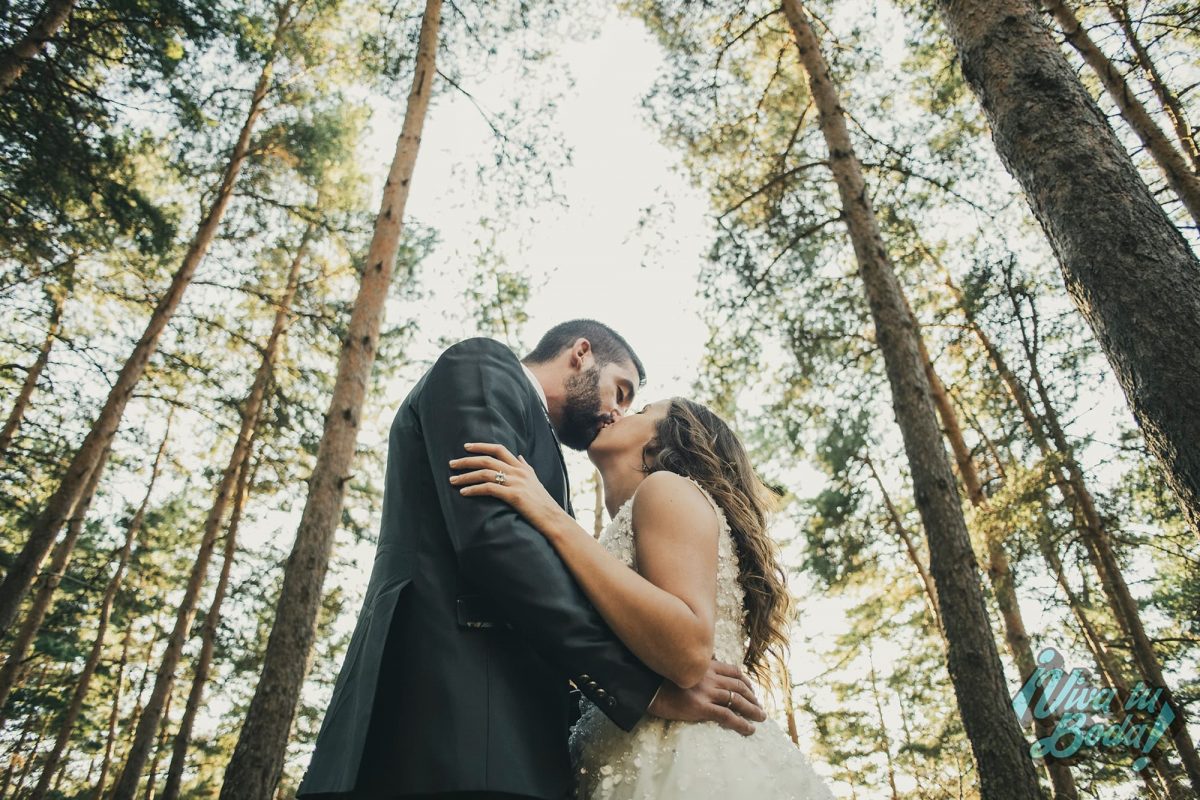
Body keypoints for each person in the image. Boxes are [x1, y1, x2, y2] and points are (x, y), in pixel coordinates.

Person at [296, 321, 766, 800]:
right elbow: (495, 540)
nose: (617, 413)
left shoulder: (594, 480)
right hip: (445, 717)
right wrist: (639, 690)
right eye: (620, 391)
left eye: (634, 406)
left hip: (516, 739)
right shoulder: (484, 366)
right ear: (581, 354)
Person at [449, 397, 838, 799]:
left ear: (667, 440)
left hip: (687, 762)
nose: (616, 411)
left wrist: (550, 515)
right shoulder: (645, 512)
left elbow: (688, 653)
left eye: (640, 411)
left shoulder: (666, 487)